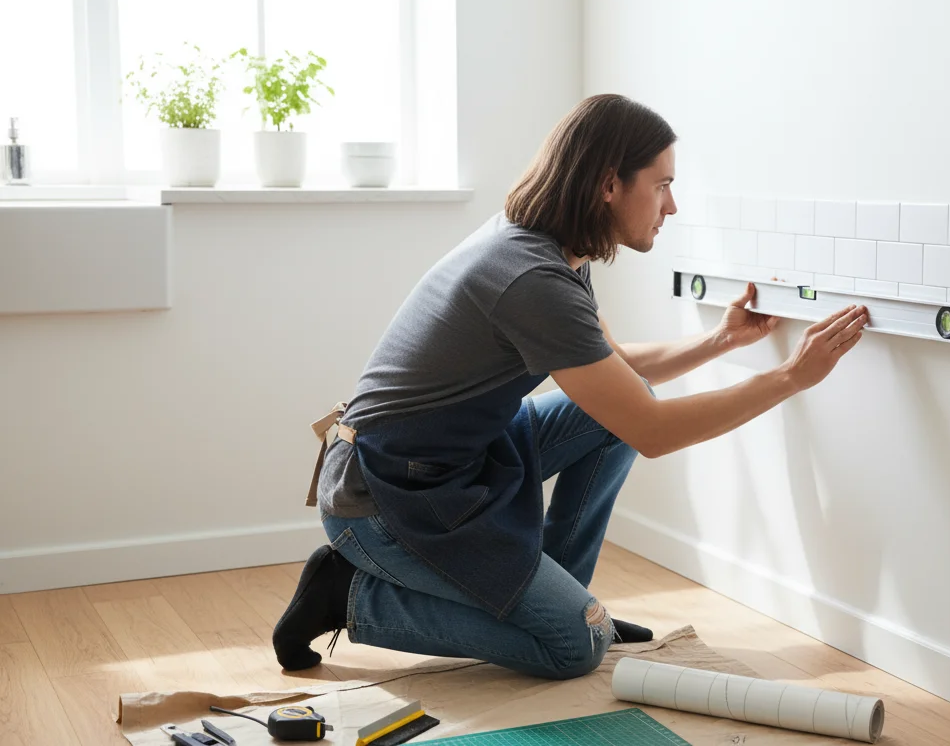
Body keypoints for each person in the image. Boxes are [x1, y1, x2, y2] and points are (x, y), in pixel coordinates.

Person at [272, 94, 869, 680]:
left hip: (456, 460)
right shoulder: (531, 276)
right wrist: (792, 376)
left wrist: (720, 341)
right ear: (609, 185)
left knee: (613, 417)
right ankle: (348, 595)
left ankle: (571, 601)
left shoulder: (554, 249)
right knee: (573, 649)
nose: (672, 205)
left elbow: (612, 370)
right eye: (661, 185)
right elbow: (652, 433)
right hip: (382, 495)